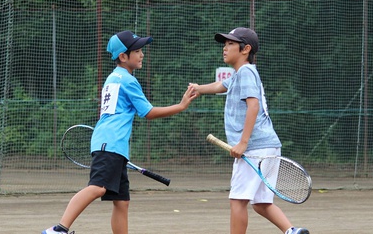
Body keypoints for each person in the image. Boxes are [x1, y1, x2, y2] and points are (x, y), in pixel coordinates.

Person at [42, 30, 198, 234]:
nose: (142, 54)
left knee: (121, 201)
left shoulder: (114, 77)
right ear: (123, 57)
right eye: (138, 50)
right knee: (98, 187)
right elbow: (148, 112)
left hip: (113, 144)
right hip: (111, 142)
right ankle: (59, 229)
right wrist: (181, 105)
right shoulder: (127, 80)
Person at [189, 27, 309, 234]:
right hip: (268, 146)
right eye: (225, 44)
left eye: (230, 44)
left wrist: (243, 142)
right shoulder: (241, 74)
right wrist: (199, 89)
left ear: (245, 49)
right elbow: (220, 86)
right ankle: (292, 231)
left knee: (237, 201)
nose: (225, 48)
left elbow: (253, 106)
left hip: (253, 148)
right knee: (261, 203)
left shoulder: (245, 72)